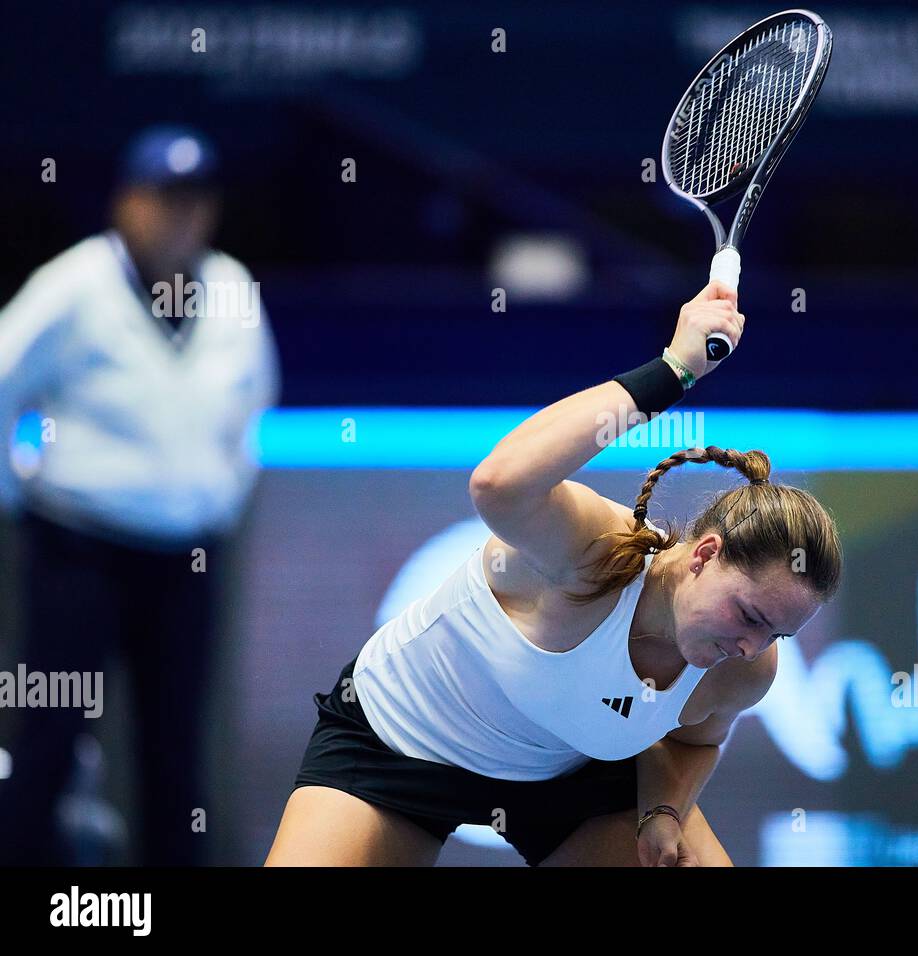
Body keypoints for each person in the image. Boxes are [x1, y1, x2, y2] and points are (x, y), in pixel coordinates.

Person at [266, 280, 842, 866]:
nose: (752, 646)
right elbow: (498, 483)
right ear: (705, 554)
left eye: (777, 634)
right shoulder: (596, 550)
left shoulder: (746, 669)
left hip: (565, 780)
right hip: (401, 741)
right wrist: (674, 371)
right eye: (750, 615)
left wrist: (663, 812)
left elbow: (695, 741)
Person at [0, 125, 280, 864]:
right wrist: (11, 499)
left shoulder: (232, 288)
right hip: (76, 547)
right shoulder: (75, 283)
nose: (181, 216)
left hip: (183, 557)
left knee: (175, 747)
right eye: (165, 199)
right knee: (50, 735)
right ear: (127, 202)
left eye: (195, 200)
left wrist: (215, 497)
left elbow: (253, 408)